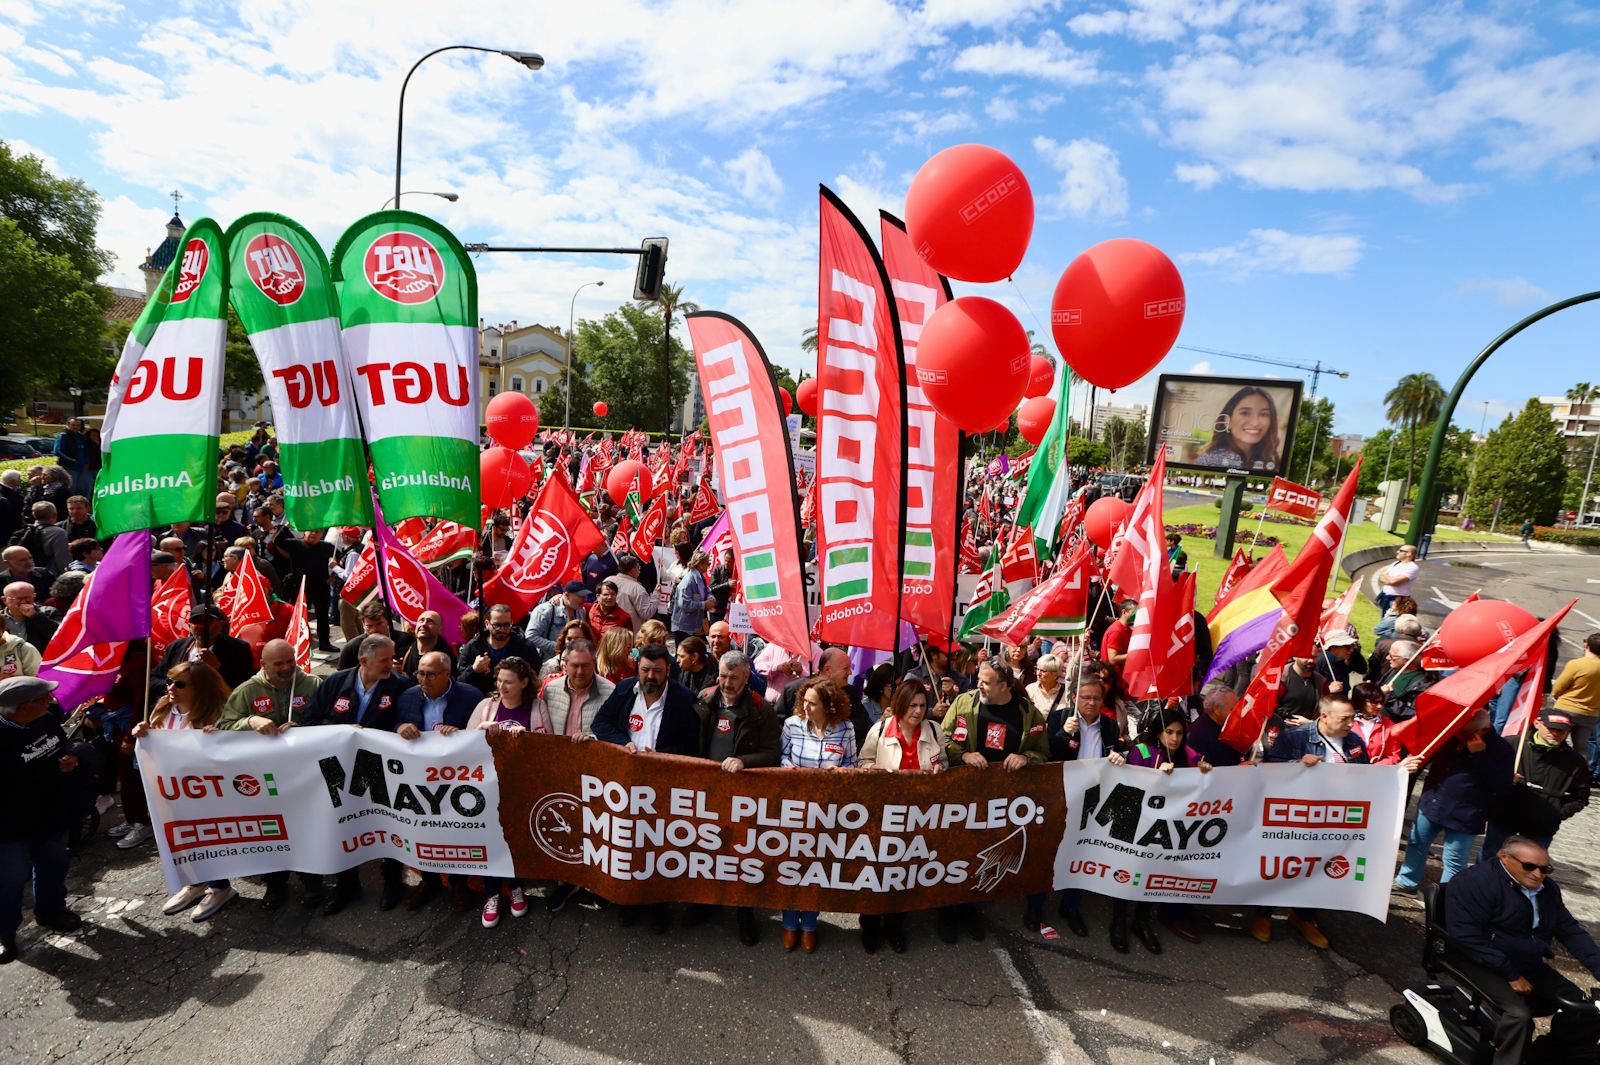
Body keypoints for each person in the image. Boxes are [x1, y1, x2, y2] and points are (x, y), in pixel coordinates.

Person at [1445, 835, 1600, 1065]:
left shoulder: (1546, 889)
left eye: (1545, 869)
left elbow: (1570, 930)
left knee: (1584, 1009)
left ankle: (1543, 1056)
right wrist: (1511, 974)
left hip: (1525, 960)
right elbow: (1466, 936)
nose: (1538, 874)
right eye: (1530, 867)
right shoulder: (1474, 882)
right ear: (1504, 857)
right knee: (1519, 1016)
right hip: (1478, 959)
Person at [301, 636, 415, 914]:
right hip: (338, 768)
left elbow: (407, 718)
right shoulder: (335, 682)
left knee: (388, 823)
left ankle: (392, 880)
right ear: (363, 661)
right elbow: (310, 720)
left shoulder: (400, 685)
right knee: (344, 823)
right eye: (385, 660)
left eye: (392, 658)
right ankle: (346, 883)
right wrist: (343, 732)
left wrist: (403, 726)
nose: (392, 664)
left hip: (380, 769)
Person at [591, 644, 701, 933]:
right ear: (638, 668)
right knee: (629, 845)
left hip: (663, 786)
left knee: (660, 848)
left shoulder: (683, 699)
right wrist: (622, 743)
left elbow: (692, 745)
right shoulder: (625, 689)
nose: (650, 676)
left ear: (667, 671)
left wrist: (660, 755)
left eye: (657, 671)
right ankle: (630, 903)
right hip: (626, 785)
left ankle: (658, 907)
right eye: (646, 670)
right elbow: (600, 722)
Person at [942, 661, 1050, 941]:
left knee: (985, 855)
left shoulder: (1028, 713)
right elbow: (943, 739)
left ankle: (971, 910)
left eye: (986, 681)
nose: (979, 685)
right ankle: (948, 913)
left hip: (1002, 803)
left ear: (1004, 685)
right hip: (965, 795)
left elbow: (1042, 752)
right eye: (979, 678)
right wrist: (963, 756)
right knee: (957, 853)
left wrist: (1027, 758)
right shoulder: (964, 703)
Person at [123, 661, 236, 920]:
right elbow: (155, 742)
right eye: (170, 681)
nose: (171, 688)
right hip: (170, 791)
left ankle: (220, 887)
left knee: (206, 839)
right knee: (182, 840)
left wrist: (220, 737)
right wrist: (142, 732)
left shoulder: (216, 714)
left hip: (203, 792)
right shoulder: (163, 707)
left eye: (180, 684)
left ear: (200, 688)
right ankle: (195, 883)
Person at [1257, 695, 1369, 948]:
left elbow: (1368, 774)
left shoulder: (1354, 742)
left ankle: (1304, 916)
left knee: (1321, 869)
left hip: (1334, 821)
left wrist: (1398, 772)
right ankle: (1263, 914)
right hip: (1298, 818)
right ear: (1325, 716)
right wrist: (1297, 764)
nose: (1351, 723)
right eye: (1345, 718)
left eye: (1353, 717)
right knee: (1284, 865)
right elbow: (1271, 767)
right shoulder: (1296, 736)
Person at [685, 650, 780, 946]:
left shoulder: (760, 709)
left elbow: (772, 754)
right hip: (707, 791)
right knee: (706, 849)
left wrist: (743, 761)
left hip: (743, 794)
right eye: (723, 676)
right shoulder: (704, 698)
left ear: (746, 676)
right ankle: (706, 902)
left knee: (741, 854)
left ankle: (744, 912)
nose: (726, 682)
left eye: (734, 677)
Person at [858, 680, 946, 953]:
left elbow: (942, 761)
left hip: (918, 815)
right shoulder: (881, 729)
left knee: (905, 872)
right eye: (912, 705)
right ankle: (870, 925)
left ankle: (896, 925)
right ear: (900, 706)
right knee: (877, 870)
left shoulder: (934, 730)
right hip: (882, 814)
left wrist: (941, 768)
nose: (918, 711)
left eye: (922, 705)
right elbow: (863, 762)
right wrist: (874, 771)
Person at [0, 676, 82, 963]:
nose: (52, 701)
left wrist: (69, 759)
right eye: (45, 697)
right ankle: (4, 933)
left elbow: (63, 745)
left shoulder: (45, 720)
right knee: (8, 883)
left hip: (50, 815)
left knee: (54, 864)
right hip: (10, 829)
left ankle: (51, 911)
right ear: (24, 707)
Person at [1117, 708, 1214, 950]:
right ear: (1158, 732)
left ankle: (1141, 921)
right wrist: (1155, 776)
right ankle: (1118, 922)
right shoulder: (1140, 751)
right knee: (1127, 872)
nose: (1175, 738)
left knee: (1152, 874)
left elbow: (1202, 773)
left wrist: (1204, 771)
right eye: (1169, 732)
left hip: (1165, 828)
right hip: (1137, 824)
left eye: (1179, 733)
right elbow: (1130, 786)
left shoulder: (1187, 754)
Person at [394, 652, 483, 912]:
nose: (424, 679)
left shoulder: (471, 696)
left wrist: (461, 735)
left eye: (431, 674)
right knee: (424, 831)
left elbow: (479, 734)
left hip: (456, 779)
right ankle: (429, 881)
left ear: (447, 674)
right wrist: (400, 728)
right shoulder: (409, 696)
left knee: (454, 832)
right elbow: (394, 726)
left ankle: (458, 884)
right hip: (418, 779)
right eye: (420, 673)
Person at [1394, 709, 1513, 893]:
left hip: (1466, 813)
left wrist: (1479, 755)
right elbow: (1426, 754)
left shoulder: (1501, 749)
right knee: (1416, 842)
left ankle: (1445, 898)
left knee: (1455, 860)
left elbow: (1502, 786)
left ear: (1482, 729)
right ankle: (1407, 881)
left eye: (1463, 732)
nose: (1458, 734)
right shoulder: (1450, 733)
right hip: (1433, 802)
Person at [778, 676, 858, 953]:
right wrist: (790, 770)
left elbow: (851, 763)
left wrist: (844, 773)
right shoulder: (791, 725)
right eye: (804, 701)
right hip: (795, 808)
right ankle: (789, 921)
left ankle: (809, 924)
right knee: (791, 866)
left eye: (813, 703)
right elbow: (783, 757)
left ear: (829, 706)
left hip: (828, 811)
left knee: (817, 868)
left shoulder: (845, 729)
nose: (806, 707)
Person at [465, 656, 539, 929]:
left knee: (516, 842)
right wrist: (481, 729)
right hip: (487, 788)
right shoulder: (486, 706)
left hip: (520, 788)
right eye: (499, 681)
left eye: (509, 681)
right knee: (492, 841)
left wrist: (528, 738)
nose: (503, 686)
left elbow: (548, 746)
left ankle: (517, 887)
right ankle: (492, 894)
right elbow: (465, 739)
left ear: (523, 682)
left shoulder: (537, 708)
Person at [1483, 708, 1591, 862]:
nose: (1556, 734)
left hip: (1541, 825)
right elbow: (1486, 773)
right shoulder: (1512, 744)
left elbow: (1581, 796)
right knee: (1490, 859)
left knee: (1529, 866)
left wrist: (1558, 812)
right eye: (1551, 729)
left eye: (1562, 731)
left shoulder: (1575, 761)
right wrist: (1503, 780)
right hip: (1504, 816)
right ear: (1537, 723)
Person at [157, 603, 254, 689]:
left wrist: (218, 668)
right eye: (196, 621)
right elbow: (154, 678)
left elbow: (244, 686)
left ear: (221, 624)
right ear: (189, 626)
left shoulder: (238, 648)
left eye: (207, 621)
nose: (201, 626)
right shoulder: (176, 647)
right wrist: (177, 685)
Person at [1193, 387, 1282, 471]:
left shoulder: (1270, 460)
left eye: (1264, 414)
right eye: (1245, 413)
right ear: (1227, 421)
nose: (1255, 422)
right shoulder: (1210, 461)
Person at [457, 603, 538, 695]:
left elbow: (534, 680)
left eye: (507, 625)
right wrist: (474, 670)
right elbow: (460, 682)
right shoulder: (473, 646)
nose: (502, 629)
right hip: (480, 702)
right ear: (487, 624)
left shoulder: (525, 648)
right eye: (497, 625)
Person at [1551, 633, 1600, 774]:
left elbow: (1559, 687)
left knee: (1556, 742)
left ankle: (1555, 773)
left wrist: (1557, 695)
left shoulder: (1577, 664)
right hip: (1590, 713)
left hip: (1567, 708)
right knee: (1581, 749)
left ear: (1587, 646)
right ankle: (1579, 777)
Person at [337, 602, 417, 671]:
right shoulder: (353, 648)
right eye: (369, 626)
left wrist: (403, 669)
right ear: (363, 625)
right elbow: (342, 678)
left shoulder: (407, 642)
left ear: (388, 622)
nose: (374, 630)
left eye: (379, 624)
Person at [525, 582, 588, 661]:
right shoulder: (544, 610)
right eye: (580, 596)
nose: (585, 599)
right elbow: (530, 636)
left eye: (585, 596)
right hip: (547, 663)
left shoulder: (581, 611)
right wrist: (558, 646)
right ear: (567, 595)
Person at [1188, 681, 1245, 767]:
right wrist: (1237, 768)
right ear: (1217, 709)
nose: (1238, 713)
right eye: (1233, 709)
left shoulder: (1224, 726)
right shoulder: (1200, 734)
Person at [3, 580, 57, 653]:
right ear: (5, 600)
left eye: (28, 597)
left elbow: (60, 636)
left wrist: (35, 616)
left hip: (40, 661)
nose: (23, 602)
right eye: (18, 598)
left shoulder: (49, 613)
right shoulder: (1, 618)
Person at [396, 610, 453, 678]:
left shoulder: (445, 659)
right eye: (421, 620)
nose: (424, 624)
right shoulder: (404, 652)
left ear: (440, 629)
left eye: (430, 621)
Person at [670, 550, 710, 642]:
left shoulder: (700, 577)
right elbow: (684, 604)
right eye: (708, 564)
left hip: (692, 626)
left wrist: (710, 598)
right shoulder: (688, 581)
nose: (709, 566)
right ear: (700, 565)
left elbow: (707, 590)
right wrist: (704, 604)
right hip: (683, 627)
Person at [610, 555, 656, 631]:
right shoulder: (637, 589)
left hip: (610, 631)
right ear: (632, 570)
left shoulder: (607, 580)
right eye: (638, 567)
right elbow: (646, 614)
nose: (639, 570)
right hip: (629, 634)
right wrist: (656, 596)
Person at [1375, 544, 1420, 615]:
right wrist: (1389, 579)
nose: (1397, 551)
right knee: (1383, 617)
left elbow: (1394, 581)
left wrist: (1388, 578)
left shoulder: (1412, 567)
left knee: (1390, 621)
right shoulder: (1396, 563)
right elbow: (1381, 576)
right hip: (1385, 595)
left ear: (1409, 553)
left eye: (1401, 550)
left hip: (1396, 599)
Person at [1099, 599, 1136, 669]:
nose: (1136, 615)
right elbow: (1113, 659)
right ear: (1124, 612)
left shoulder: (1127, 628)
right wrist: (1135, 654)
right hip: (1115, 677)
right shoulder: (1116, 631)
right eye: (1134, 612)